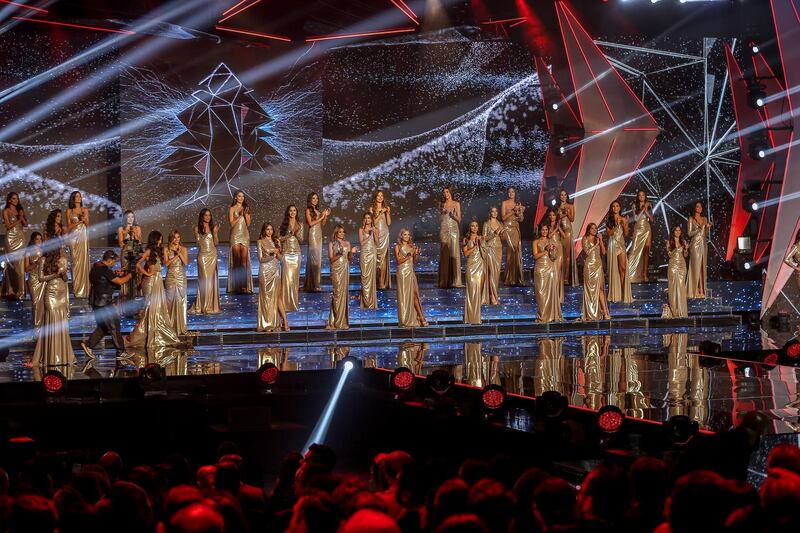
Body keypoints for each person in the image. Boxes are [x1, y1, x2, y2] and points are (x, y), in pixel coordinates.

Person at [126, 231, 180, 348]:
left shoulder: (159, 251)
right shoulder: (149, 251)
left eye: (161, 240)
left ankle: (156, 334)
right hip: (150, 282)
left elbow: (166, 264)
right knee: (149, 308)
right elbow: (137, 263)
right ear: (154, 240)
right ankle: (140, 336)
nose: (160, 242)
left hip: (159, 280)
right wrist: (147, 273)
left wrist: (176, 255)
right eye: (159, 240)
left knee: (158, 309)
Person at [81, 250, 134, 359]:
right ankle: (121, 352)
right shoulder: (104, 270)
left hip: (96, 302)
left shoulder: (96, 268)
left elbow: (103, 282)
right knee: (115, 326)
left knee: (104, 327)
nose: (115, 264)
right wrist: (130, 275)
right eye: (114, 261)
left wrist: (115, 274)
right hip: (104, 303)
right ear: (109, 260)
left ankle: (88, 344)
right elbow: (120, 282)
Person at [30, 243, 75, 366]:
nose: (60, 250)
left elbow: (65, 279)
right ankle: (51, 356)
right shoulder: (43, 260)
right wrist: (56, 274)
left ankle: (62, 355)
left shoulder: (63, 260)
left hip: (61, 294)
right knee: (52, 321)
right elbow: (40, 278)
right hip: (50, 294)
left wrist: (63, 272)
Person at [257, 223, 288, 332]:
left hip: (275, 272)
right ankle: (267, 324)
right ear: (264, 230)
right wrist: (271, 256)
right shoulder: (260, 242)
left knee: (276, 297)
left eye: (271, 229)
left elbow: (281, 259)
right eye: (267, 229)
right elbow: (260, 259)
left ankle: (282, 322)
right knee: (266, 298)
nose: (269, 231)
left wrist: (280, 248)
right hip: (265, 272)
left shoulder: (275, 242)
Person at [190, 208, 220, 314]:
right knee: (205, 280)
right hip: (203, 256)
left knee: (211, 281)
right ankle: (204, 305)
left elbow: (216, 243)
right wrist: (205, 234)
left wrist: (215, 233)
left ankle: (210, 306)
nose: (208, 217)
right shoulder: (197, 228)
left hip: (212, 255)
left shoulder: (212, 227)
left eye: (209, 215)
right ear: (202, 216)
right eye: (206, 215)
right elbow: (198, 243)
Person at [395, 229, 427, 327]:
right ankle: (411, 318)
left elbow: (414, 262)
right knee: (405, 296)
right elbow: (398, 261)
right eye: (405, 234)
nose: (407, 236)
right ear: (401, 236)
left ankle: (420, 316)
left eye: (408, 234)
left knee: (415, 295)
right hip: (402, 273)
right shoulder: (397, 246)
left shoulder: (411, 246)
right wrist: (407, 257)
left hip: (410, 272)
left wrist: (416, 253)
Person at [580, 223, 610, 320]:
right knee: (591, 290)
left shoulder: (598, 239)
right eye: (592, 228)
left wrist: (600, 241)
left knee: (601, 288)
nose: (594, 230)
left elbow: (604, 252)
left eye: (595, 228)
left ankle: (605, 312)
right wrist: (596, 244)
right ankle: (591, 312)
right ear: (588, 229)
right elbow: (587, 252)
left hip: (598, 265)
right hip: (589, 266)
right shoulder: (585, 238)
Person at [533, 223, 562, 323]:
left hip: (550, 269)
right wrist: (545, 250)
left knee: (550, 293)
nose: (544, 231)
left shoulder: (551, 241)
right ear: (540, 231)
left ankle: (551, 316)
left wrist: (553, 251)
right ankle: (543, 316)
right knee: (541, 293)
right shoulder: (536, 242)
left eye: (546, 230)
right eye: (543, 230)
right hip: (540, 270)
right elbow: (535, 256)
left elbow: (554, 257)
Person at [1, 191, 27, 300]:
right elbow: (7, 226)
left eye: (17, 199)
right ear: (9, 200)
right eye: (14, 198)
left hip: (20, 239)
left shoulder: (20, 210)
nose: (16, 200)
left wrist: (22, 217)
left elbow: (25, 224)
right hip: (11, 239)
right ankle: (10, 291)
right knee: (10, 265)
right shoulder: (6, 211)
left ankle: (20, 291)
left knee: (20, 266)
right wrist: (19, 220)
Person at [326, 225, 353, 330]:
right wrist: (340, 254)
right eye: (339, 232)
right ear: (336, 233)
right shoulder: (332, 243)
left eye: (343, 232)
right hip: (336, 270)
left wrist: (351, 253)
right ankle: (336, 321)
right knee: (337, 294)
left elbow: (350, 259)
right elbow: (331, 259)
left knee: (343, 294)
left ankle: (343, 320)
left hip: (345, 269)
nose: (342, 234)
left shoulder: (348, 243)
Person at [163, 230, 189, 335]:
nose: (177, 239)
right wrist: (175, 255)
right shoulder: (166, 249)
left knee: (181, 301)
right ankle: (170, 326)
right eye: (174, 237)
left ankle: (181, 326)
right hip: (170, 276)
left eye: (178, 237)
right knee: (170, 301)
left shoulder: (183, 249)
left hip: (181, 277)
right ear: (171, 238)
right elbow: (167, 264)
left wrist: (179, 254)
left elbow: (186, 262)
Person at [279, 204, 304, 312]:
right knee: (286, 280)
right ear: (288, 212)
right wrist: (289, 235)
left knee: (294, 280)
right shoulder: (284, 224)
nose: (293, 212)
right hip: (287, 254)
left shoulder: (300, 224)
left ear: (296, 212)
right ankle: (285, 304)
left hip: (296, 254)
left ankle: (293, 304)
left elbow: (301, 240)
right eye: (290, 210)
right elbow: (279, 239)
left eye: (294, 210)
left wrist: (296, 234)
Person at [606, 200, 632, 303]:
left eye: (617, 206)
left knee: (623, 269)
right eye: (613, 206)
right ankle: (615, 293)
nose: (615, 208)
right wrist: (617, 225)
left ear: (619, 208)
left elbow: (626, 234)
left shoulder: (624, 219)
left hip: (621, 245)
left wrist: (625, 224)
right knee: (614, 269)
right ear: (612, 209)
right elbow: (609, 234)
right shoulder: (609, 220)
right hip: (612, 245)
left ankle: (622, 292)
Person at [66, 191, 90, 298]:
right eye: (76, 196)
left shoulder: (85, 210)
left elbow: (87, 225)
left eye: (80, 196)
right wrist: (79, 221)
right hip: (73, 237)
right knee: (75, 262)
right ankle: (77, 290)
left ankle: (84, 290)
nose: (78, 198)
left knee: (83, 262)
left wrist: (84, 218)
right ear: (73, 198)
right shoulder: (69, 211)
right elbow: (69, 227)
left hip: (83, 237)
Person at [227, 190, 253, 294]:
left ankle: (244, 286)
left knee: (244, 262)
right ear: (235, 198)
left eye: (243, 196)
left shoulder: (246, 208)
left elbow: (248, 223)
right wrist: (240, 215)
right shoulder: (232, 209)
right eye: (239, 196)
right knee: (236, 261)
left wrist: (245, 214)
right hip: (235, 235)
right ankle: (236, 286)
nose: (241, 198)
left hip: (244, 235)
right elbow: (232, 224)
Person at [463, 220, 487, 325]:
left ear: (478, 228)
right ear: (470, 228)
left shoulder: (482, 238)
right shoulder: (466, 239)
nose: (474, 228)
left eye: (476, 226)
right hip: (471, 267)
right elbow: (465, 254)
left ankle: (477, 316)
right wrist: (475, 246)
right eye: (472, 226)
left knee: (479, 292)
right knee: (471, 292)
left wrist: (481, 244)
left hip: (480, 266)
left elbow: (486, 254)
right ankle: (469, 317)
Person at [304, 192, 330, 292]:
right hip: (313, 235)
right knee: (314, 260)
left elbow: (322, 224)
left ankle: (314, 284)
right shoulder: (308, 210)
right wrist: (321, 217)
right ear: (310, 199)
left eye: (316, 198)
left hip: (319, 234)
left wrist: (325, 216)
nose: (315, 200)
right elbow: (311, 223)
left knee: (318, 260)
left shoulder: (317, 210)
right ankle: (316, 285)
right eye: (313, 198)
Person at [438, 186, 462, 288]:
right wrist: (443, 214)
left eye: (447, 192)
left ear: (450, 193)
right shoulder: (441, 204)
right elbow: (439, 219)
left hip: (454, 230)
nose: (446, 194)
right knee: (444, 253)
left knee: (454, 254)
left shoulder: (456, 204)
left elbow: (459, 219)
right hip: (444, 229)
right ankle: (444, 281)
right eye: (444, 192)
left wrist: (453, 215)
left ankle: (455, 281)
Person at [628, 190, 654, 283]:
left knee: (646, 251)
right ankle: (631, 273)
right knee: (635, 250)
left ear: (645, 196)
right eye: (639, 195)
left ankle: (644, 274)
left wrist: (646, 210)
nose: (641, 197)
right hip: (638, 229)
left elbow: (651, 218)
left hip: (647, 229)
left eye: (643, 195)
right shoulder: (634, 205)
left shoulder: (649, 205)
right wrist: (642, 209)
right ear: (638, 197)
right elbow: (636, 218)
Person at [117, 210, 142, 304]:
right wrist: (125, 233)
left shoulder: (137, 228)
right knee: (125, 274)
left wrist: (135, 234)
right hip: (125, 254)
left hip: (135, 253)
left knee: (135, 274)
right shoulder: (121, 228)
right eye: (128, 217)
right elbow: (120, 244)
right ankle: (124, 303)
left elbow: (139, 242)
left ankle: (134, 301)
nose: (131, 219)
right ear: (125, 218)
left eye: (132, 216)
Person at [687, 201, 711, 298]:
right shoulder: (691, 219)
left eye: (701, 207)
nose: (699, 208)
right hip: (695, 244)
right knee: (695, 266)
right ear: (694, 208)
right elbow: (689, 234)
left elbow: (705, 234)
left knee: (702, 266)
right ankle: (694, 290)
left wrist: (707, 228)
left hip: (703, 244)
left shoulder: (705, 219)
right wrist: (698, 228)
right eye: (697, 206)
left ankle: (702, 290)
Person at [502, 186, 525, 286]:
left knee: (516, 252)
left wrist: (518, 212)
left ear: (515, 193)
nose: (511, 194)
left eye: (512, 192)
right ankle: (508, 278)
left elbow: (521, 219)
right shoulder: (505, 203)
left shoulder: (518, 204)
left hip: (515, 229)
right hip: (507, 229)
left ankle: (516, 279)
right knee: (510, 251)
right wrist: (512, 211)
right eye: (509, 192)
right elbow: (503, 218)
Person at [369, 191, 392, 289]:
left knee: (383, 259)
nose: (380, 197)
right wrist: (380, 213)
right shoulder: (371, 209)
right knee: (376, 258)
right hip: (376, 234)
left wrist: (387, 212)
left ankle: (382, 281)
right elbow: (373, 223)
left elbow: (389, 222)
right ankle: (375, 281)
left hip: (385, 234)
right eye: (378, 195)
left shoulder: (386, 208)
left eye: (382, 195)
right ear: (375, 197)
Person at [482, 207, 504, 305]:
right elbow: (484, 238)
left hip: (498, 248)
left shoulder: (500, 224)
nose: (494, 213)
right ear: (490, 213)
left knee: (497, 274)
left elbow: (503, 238)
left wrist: (503, 232)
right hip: (490, 249)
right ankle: (493, 297)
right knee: (491, 273)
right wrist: (494, 234)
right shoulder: (486, 224)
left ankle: (494, 295)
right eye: (492, 211)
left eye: (496, 211)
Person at [667, 225, 689, 318]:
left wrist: (686, 248)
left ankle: (682, 311)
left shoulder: (683, 242)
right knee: (672, 288)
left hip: (682, 266)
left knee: (681, 288)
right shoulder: (669, 242)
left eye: (679, 230)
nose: (678, 232)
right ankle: (674, 311)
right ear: (673, 232)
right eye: (676, 230)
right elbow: (669, 255)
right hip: (672, 266)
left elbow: (685, 255)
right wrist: (676, 249)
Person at [24, 232, 44, 332]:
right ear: (33, 240)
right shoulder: (28, 252)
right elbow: (26, 269)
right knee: (35, 304)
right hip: (33, 280)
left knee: (43, 304)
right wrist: (36, 263)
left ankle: (43, 329)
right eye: (37, 239)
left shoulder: (44, 251)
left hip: (43, 280)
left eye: (40, 239)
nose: (39, 241)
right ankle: (36, 329)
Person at [557, 189, 578, 286]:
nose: (563, 197)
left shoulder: (570, 206)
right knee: (560, 255)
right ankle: (559, 276)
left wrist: (566, 212)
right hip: (558, 231)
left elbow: (572, 219)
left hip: (567, 231)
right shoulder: (557, 206)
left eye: (565, 195)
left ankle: (566, 278)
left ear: (567, 196)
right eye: (561, 195)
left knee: (567, 256)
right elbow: (555, 219)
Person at [359, 212, 379, 309]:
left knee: (371, 277)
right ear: (364, 219)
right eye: (366, 218)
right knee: (364, 277)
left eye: (369, 218)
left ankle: (371, 303)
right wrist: (369, 236)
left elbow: (377, 243)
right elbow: (362, 243)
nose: (367, 220)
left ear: (371, 219)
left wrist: (374, 234)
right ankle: (365, 302)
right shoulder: (361, 229)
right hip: (364, 254)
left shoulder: (375, 229)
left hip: (372, 254)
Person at [547, 209, 565, 303]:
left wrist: (559, 228)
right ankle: (551, 295)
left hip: (559, 249)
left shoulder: (559, 226)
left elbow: (564, 236)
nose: (552, 217)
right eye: (550, 215)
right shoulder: (548, 226)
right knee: (551, 272)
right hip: (551, 248)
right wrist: (555, 229)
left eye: (553, 215)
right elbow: (549, 236)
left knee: (557, 272)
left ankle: (558, 296)